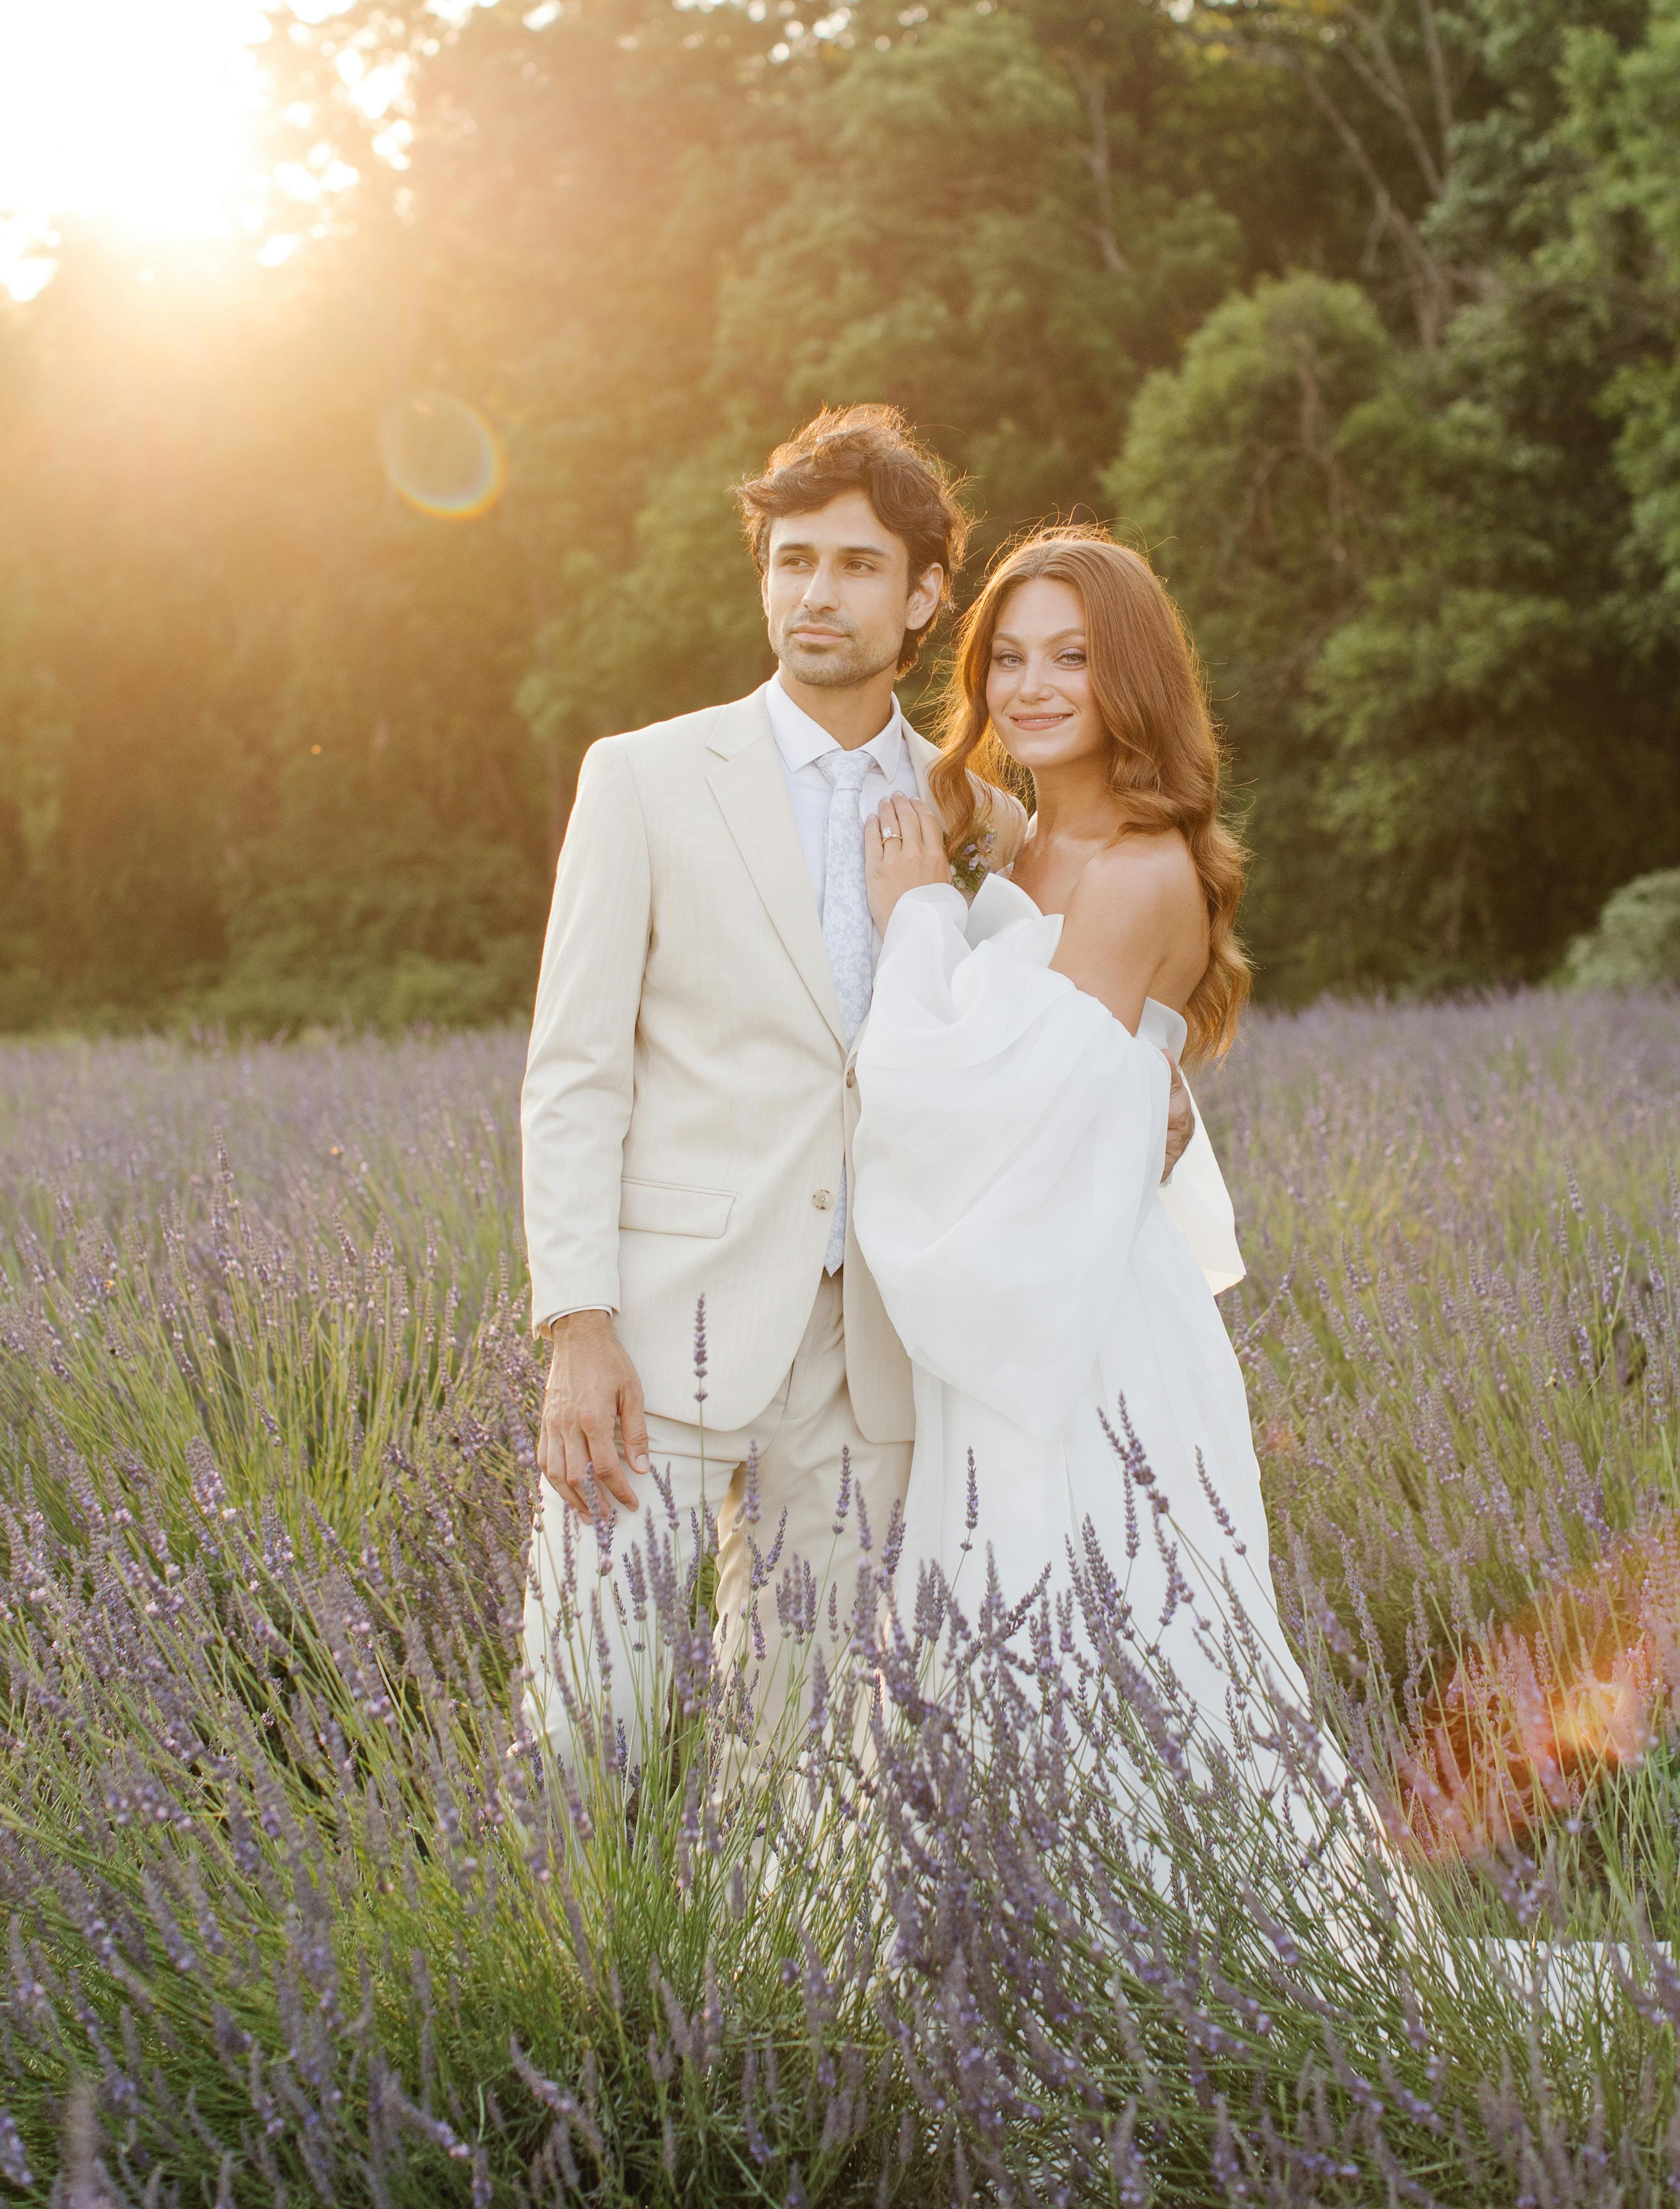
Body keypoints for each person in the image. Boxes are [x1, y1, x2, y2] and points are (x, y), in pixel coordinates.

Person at [517, 412, 1194, 1770]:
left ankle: (773, 1990)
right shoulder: (643, 778)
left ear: (924, 596)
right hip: (661, 1331)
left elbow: (1075, 1012)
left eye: (855, 567)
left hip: (876, 1348)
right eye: (792, 561)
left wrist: (1150, 1096)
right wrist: (576, 1323)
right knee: (586, 1721)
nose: (815, 594)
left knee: (814, 1760)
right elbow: (574, 1069)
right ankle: (556, 1979)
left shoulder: (978, 816)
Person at [850, 528, 1323, 1798]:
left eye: (1073, 657)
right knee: (998, 1641)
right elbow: (1043, 1003)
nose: (1033, 687)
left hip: (1080, 1330)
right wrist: (981, 849)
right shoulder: (1034, 845)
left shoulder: (1138, 873)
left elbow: (986, 1112)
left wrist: (913, 915)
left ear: (1137, 680)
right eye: (1007, 658)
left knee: (1103, 1640)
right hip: (1022, 1305)